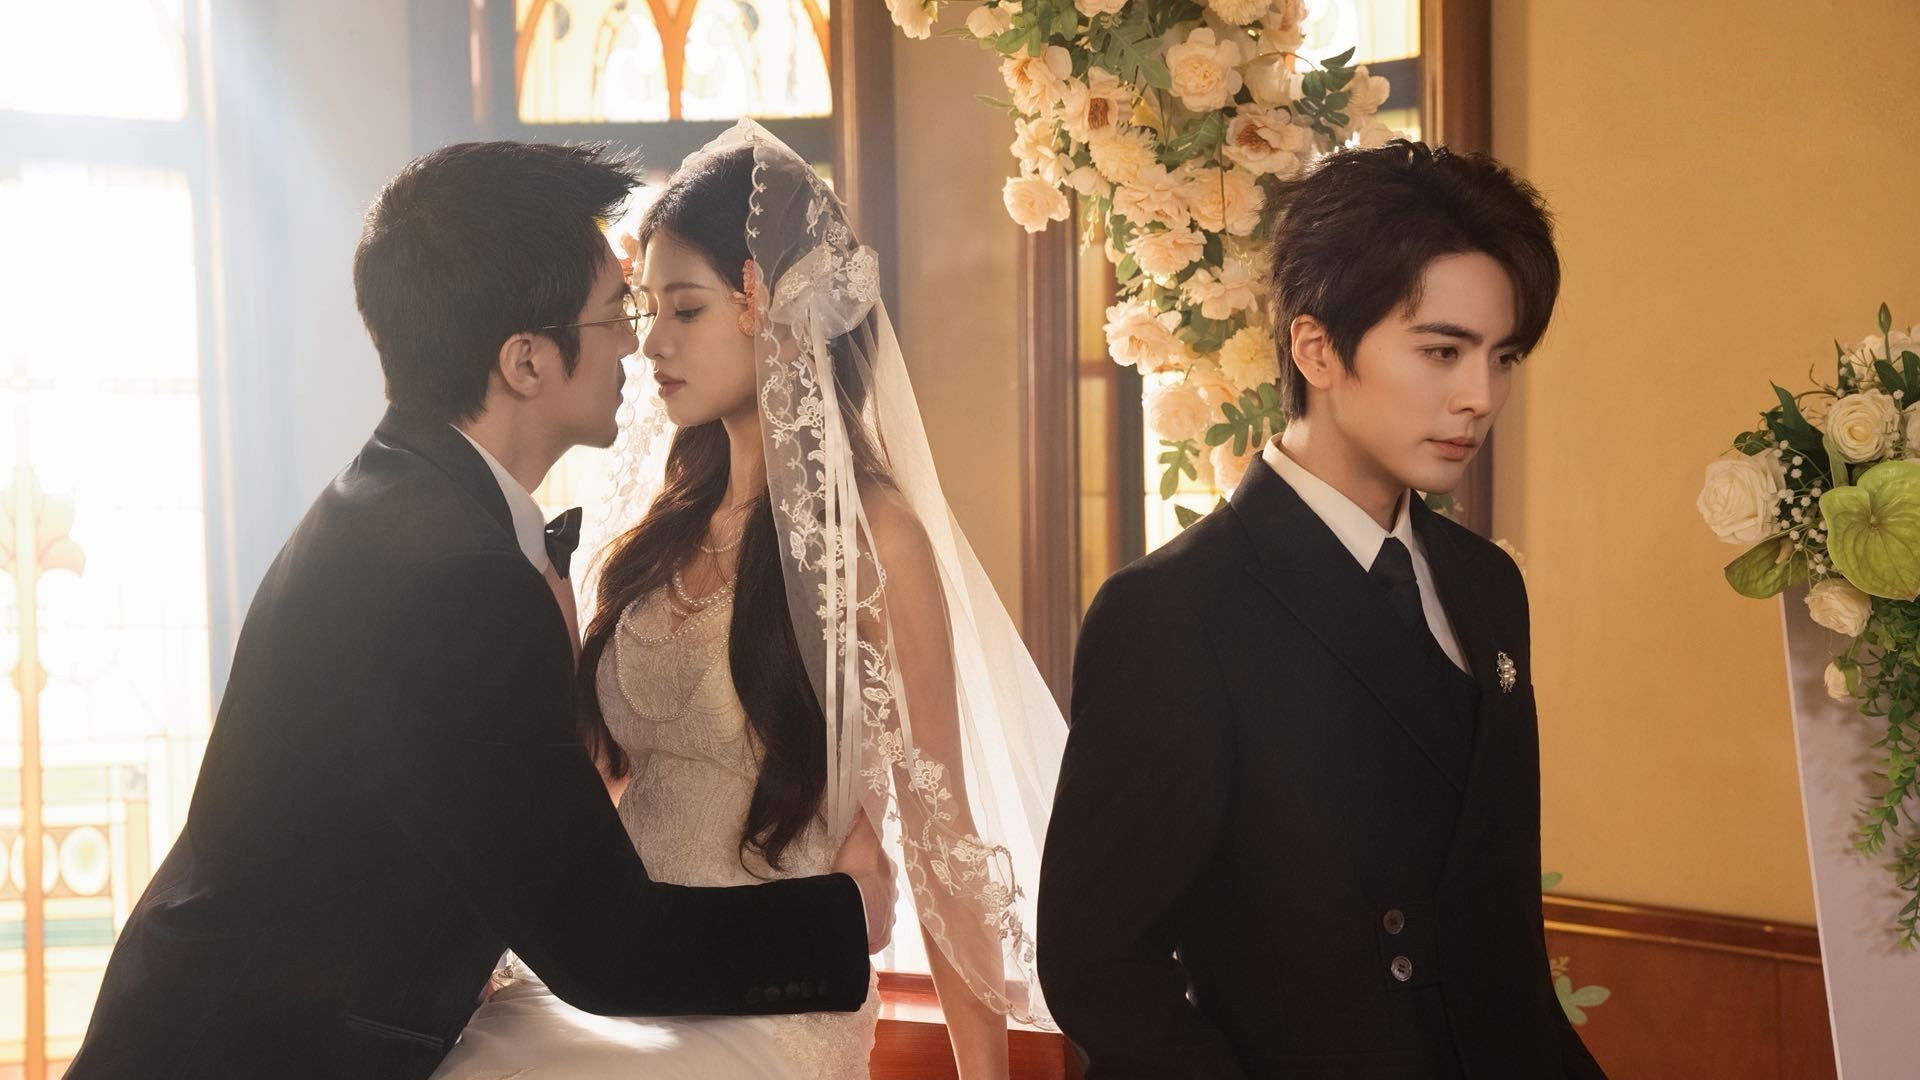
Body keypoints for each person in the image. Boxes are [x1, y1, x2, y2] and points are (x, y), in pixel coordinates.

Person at [66, 140, 893, 1080]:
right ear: (526, 361)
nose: (635, 342)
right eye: (616, 312)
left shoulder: (399, 501)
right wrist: (849, 913)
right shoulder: (457, 582)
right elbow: (607, 948)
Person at [433, 121, 1065, 1080]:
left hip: (774, 998)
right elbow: (588, 793)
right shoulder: (657, 532)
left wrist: (988, 1077)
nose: (650, 343)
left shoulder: (876, 542)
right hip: (622, 976)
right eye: (645, 309)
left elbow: (943, 841)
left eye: (683, 309)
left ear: (771, 307)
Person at [1038, 140, 1606, 1079]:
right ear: (1317, 348)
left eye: (1501, 357)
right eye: (1441, 351)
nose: (1479, 397)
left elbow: (1499, 931)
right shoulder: (1176, 612)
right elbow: (1097, 966)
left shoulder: (1485, 584)